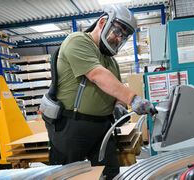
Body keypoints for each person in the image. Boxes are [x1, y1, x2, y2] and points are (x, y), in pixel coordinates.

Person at [45, 5, 157, 180]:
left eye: (123, 37)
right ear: (103, 22)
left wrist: (120, 105)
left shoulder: (111, 63)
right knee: (66, 176)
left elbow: (116, 89)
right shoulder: (78, 41)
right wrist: (133, 98)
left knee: (110, 174)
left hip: (102, 128)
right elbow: (97, 75)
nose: (118, 39)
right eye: (117, 31)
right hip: (72, 127)